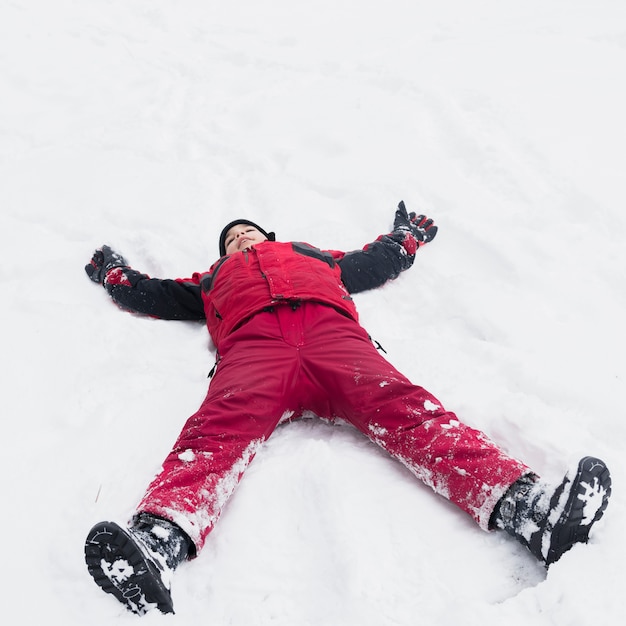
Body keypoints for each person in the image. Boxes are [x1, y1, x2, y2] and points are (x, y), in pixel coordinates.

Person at [84, 202, 611, 615]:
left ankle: (532, 511)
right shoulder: (210, 281)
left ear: (269, 237)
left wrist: (404, 238)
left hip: (333, 338)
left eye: (247, 233)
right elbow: (150, 294)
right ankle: (157, 544)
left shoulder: (314, 257)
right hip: (255, 349)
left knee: (411, 412)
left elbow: (375, 261)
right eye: (230, 239)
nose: (240, 239)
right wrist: (116, 276)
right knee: (216, 430)